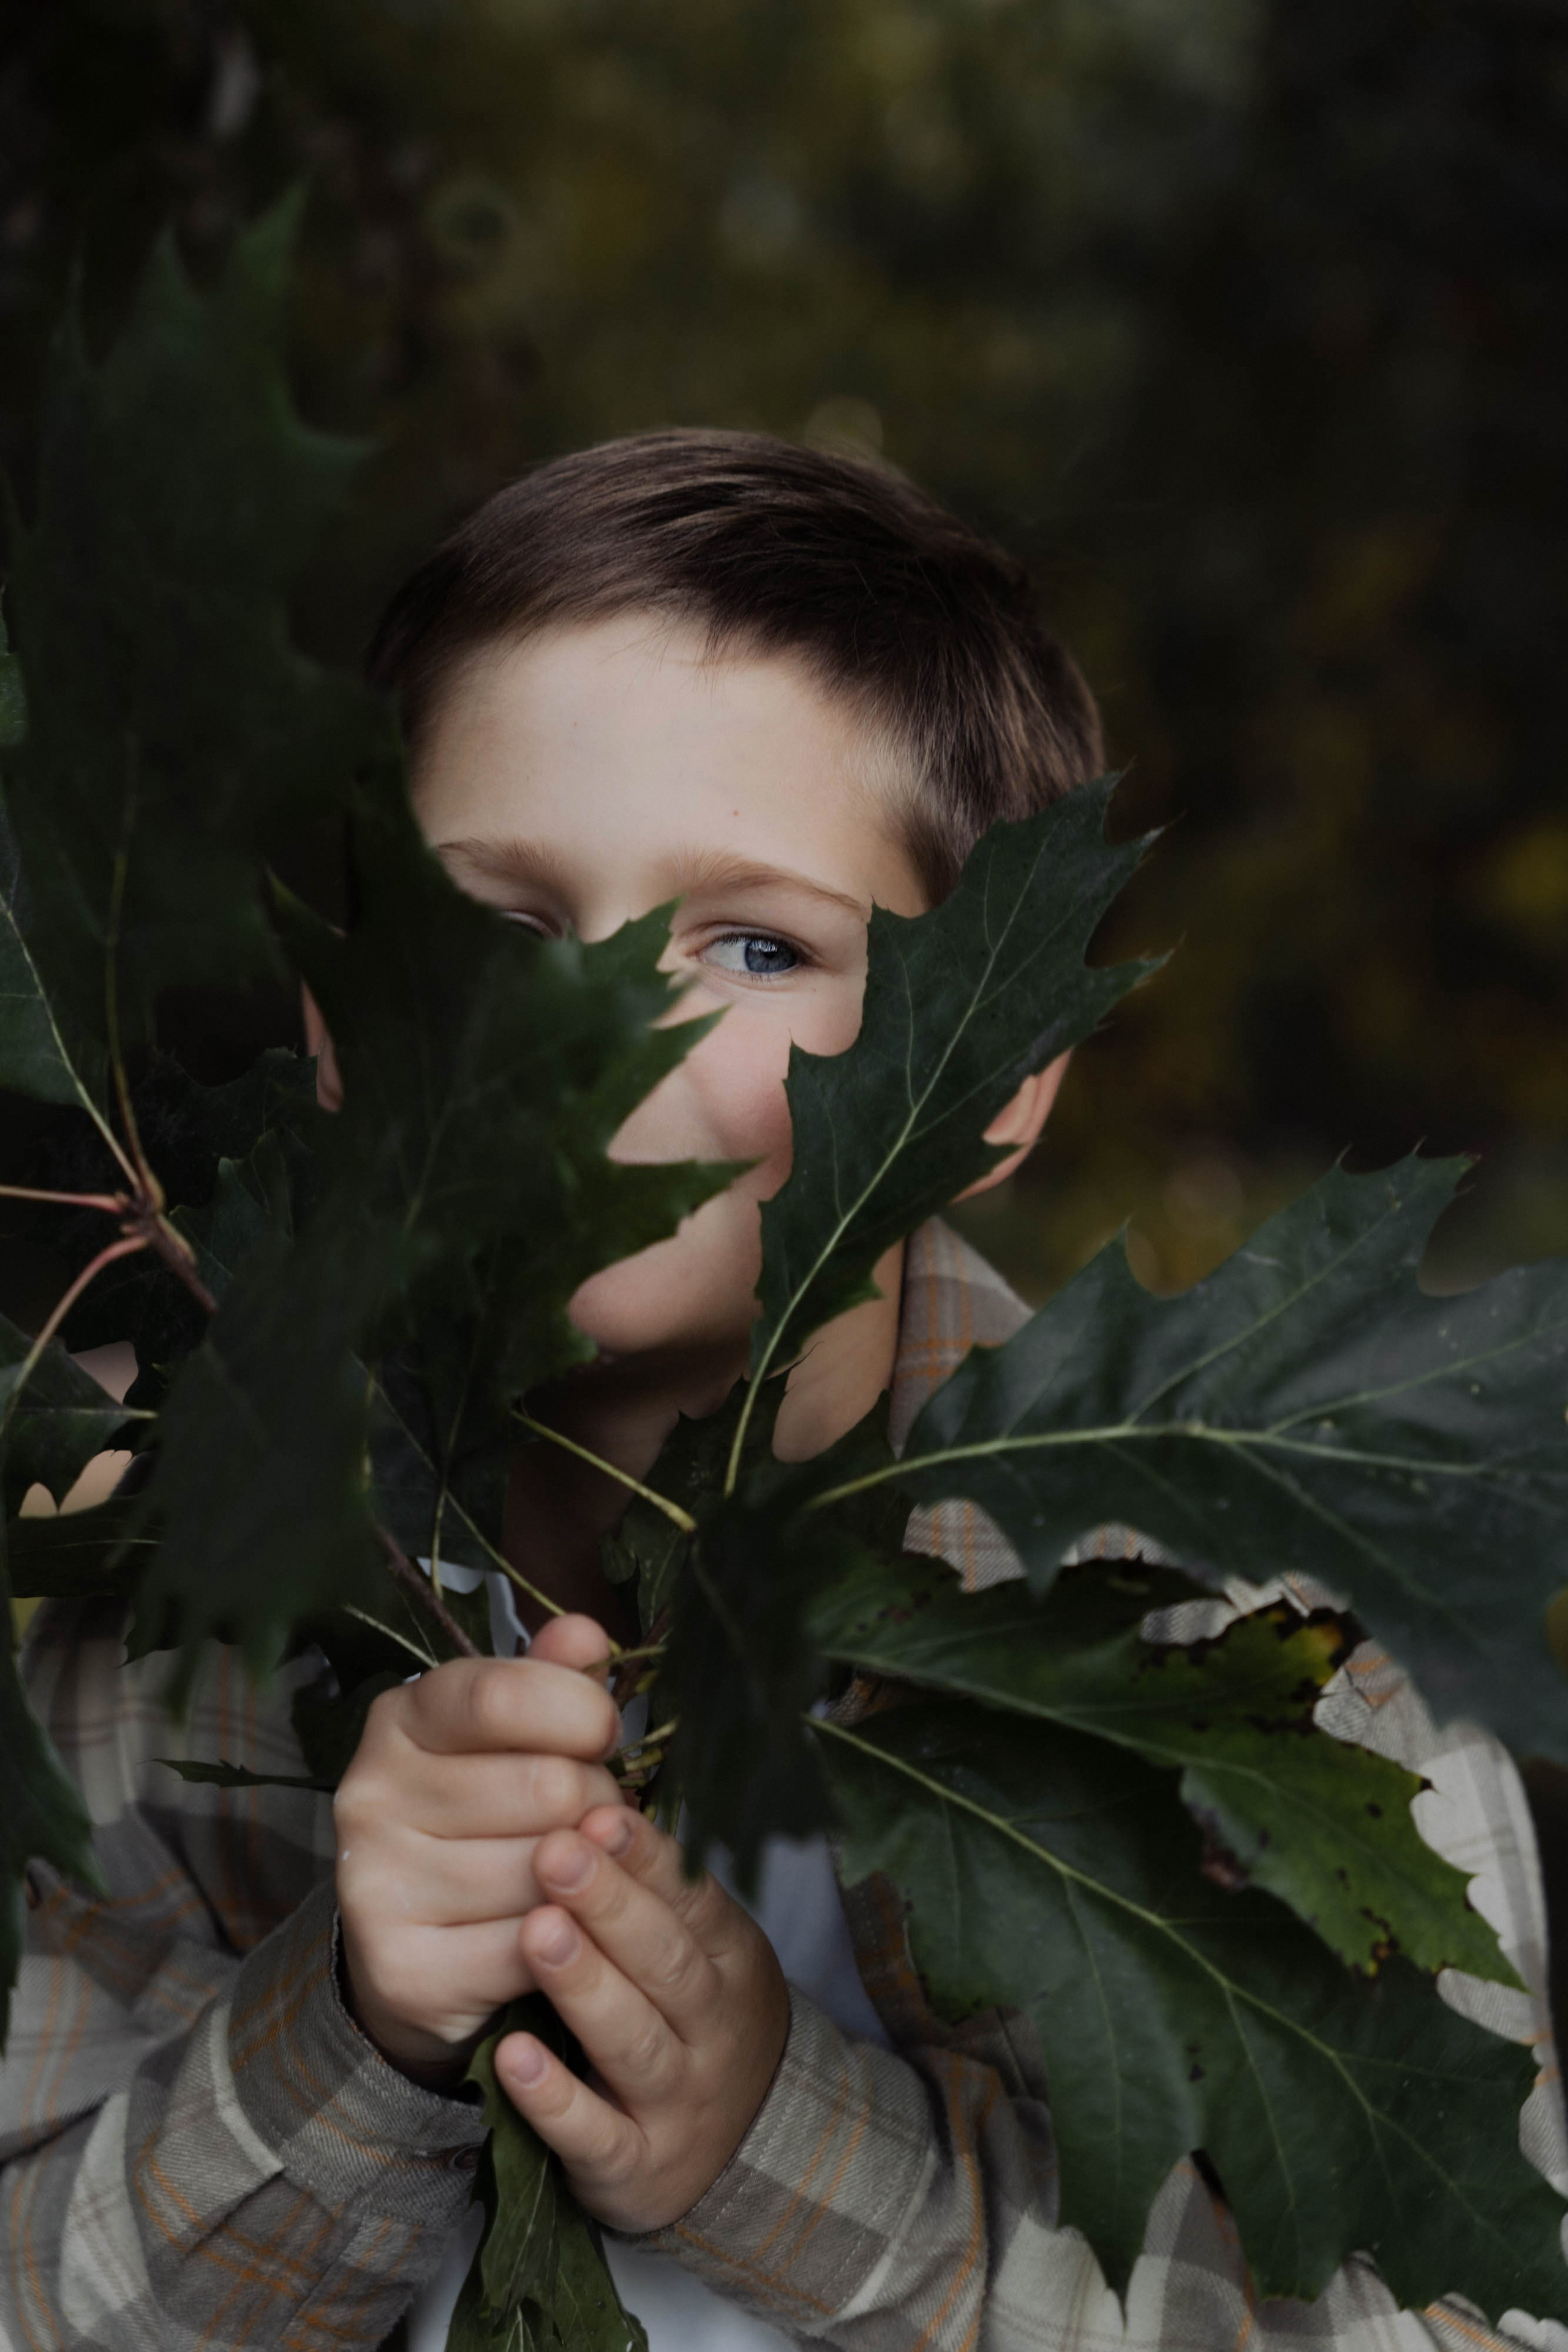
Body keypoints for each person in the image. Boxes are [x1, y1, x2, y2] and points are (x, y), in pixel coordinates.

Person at [6, 433, 1564, 2352]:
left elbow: (1462, 2311)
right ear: (334, 1018)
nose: (585, 1035)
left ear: (983, 1074)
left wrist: (788, 2160)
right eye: (497, 926)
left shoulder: (1277, 1651)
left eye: (752, 945)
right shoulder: (155, 1608)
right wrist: (349, 2031)